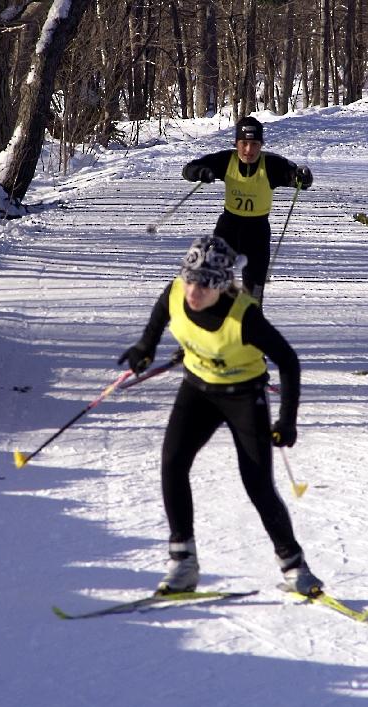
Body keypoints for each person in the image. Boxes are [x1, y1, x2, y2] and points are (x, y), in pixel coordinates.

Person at [118, 234, 322, 596]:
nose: (195, 292)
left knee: (257, 485)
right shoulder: (176, 292)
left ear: (223, 285)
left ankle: (295, 567)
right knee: (173, 462)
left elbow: (288, 361)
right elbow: (161, 315)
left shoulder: (245, 318)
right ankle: (183, 564)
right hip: (197, 390)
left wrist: (288, 420)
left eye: (206, 285)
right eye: (191, 281)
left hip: (244, 397)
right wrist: (144, 347)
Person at [181, 116, 313, 304]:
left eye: (254, 144)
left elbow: (298, 178)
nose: (249, 150)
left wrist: (302, 177)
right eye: (244, 143)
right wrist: (200, 173)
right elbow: (189, 169)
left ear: (261, 144)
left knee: (254, 296)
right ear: (236, 143)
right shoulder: (226, 160)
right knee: (212, 283)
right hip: (228, 229)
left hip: (257, 232)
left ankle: (250, 330)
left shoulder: (272, 164)